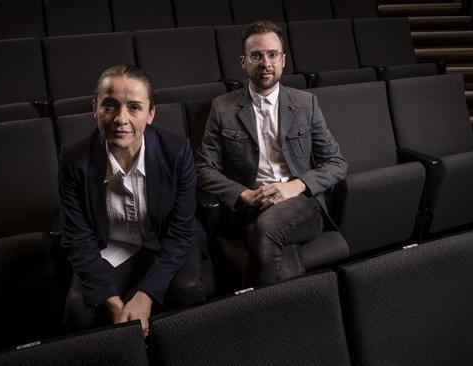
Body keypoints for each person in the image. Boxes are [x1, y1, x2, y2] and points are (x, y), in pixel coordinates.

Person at [196, 21, 347, 287]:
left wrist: (295, 186)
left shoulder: (305, 104)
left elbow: (337, 163)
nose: (265, 62)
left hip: (303, 206)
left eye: (272, 54)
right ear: (244, 62)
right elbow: (203, 169)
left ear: (283, 60)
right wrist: (243, 194)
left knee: (265, 229)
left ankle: (241, 279)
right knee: (281, 268)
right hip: (250, 207)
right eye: (257, 55)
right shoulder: (222, 108)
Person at [59, 65, 207, 335]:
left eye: (134, 107)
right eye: (110, 106)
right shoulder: (73, 159)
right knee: (78, 310)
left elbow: (181, 231)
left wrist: (145, 295)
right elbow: (78, 238)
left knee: (188, 290)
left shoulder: (177, 151)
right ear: (95, 109)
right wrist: (114, 303)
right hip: (111, 245)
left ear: (151, 113)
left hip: (165, 241)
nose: (120, 119)